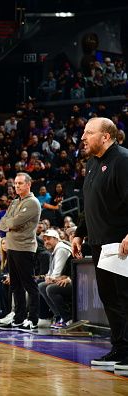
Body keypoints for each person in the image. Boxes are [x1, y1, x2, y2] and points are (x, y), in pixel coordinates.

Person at [72, 117, 128, 369]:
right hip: (98, 242)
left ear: (105, 136)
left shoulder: (123, 160)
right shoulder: (92, 164)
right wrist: (79, 233)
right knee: (110, 298)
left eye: (88, 132)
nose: (83, 137)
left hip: (120, 243)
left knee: (123, 298)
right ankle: (119, 348)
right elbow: (90, 204)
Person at [0, 172, 41, 332]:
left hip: (25, 247)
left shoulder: (33, 203)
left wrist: (10, 223)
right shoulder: (15, 201)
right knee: (15, 285)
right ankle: (19, 317)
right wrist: (9, 223)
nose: (17, 186)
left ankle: (33, 319)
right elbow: (2, 222)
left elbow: (14, 222)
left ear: (28, 184)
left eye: (20, 183)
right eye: (15, 183)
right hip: (12, 247)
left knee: (29, 284)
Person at [38, 229, 72, 328]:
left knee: (48, 288)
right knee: (41, 286)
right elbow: (50, 273)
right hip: (61, 279)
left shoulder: (61, 249)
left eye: (48, 239)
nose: (46, 242)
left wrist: (50, 278)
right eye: (44, 240)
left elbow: (57, 273)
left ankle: (67, 318)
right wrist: (49, 278)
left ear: (56, 238)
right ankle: (58, 316)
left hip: (69, 280)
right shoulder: (53, 251)